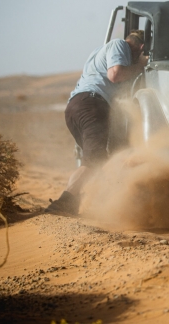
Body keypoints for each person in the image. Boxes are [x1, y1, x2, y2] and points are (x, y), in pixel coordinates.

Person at [46, 30, 148, 214]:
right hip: (92, 105)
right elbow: (115, 74)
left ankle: (82, 202)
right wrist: (141, 66)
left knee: (98, 160)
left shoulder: (98, 51)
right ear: (141, 47)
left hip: (76, 107)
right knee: (94, 161)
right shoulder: (119, 45)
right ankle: (63, 203)